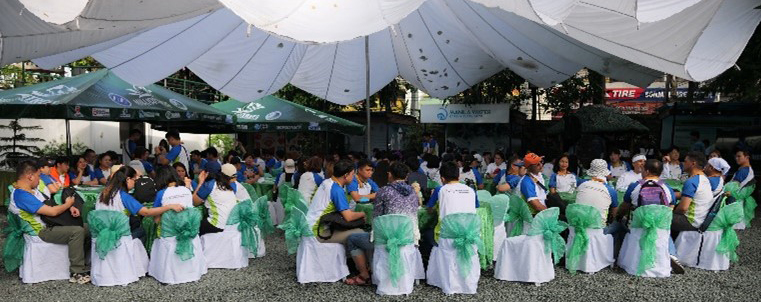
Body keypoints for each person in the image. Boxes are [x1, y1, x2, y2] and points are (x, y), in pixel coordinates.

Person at [10, 160, 90, 284]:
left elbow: (51, 204)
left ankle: (85, 262)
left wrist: (69, 207)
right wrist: (68, 204)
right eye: (38, 176)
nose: (39, 179)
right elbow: (52, 212)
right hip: (40, 231)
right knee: (77, 231)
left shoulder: (32, 190)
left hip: (50, 224)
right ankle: (77, 272)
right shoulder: (21, 194)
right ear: (30, 176)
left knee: (87, 228)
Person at [344, 162, 420, 286]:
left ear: (389, 175)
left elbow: (377, 218)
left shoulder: (376, 186)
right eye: (367, 170)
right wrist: (372, 196)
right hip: (408, 237)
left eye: (371, 170)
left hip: (386, 238)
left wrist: (373, 196)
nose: (370, 172)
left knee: (354, 238)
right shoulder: (413, 191)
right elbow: (357, 198)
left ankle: (364, 274)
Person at [97, 166, 184, 239]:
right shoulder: (123, 196)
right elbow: (146, 212)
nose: (135, 184)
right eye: (134, 181)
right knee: (142, 230)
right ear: (128, 179)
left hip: (101, 234)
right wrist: (169, 206)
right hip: (119, 236)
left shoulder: (102, 194)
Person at [305, 159, 366, 244]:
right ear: (346, 175)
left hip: (311, 225)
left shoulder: (327, 182)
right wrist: (370, 200)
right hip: (318, 231)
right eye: (353, 174)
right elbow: (357, 198)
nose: (354, 176)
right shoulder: (341, 188)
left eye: (371, 170)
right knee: (361, 234)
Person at [424, 161, 478, 247]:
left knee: (426, 232)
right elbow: (475, 207)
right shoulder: (471, 190)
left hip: (446, 236)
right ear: (459, 176)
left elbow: (429, 210)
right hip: (468, 235)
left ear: (442, 179)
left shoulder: (440, 189)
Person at [672, 152, 713, 238]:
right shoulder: (704, 178)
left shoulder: (691, 182)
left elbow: (683, 208)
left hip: (691, 221)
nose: (683, 163)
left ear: (693, 163)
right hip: (701, 217)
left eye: (685, 161)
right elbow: (689, 195)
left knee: (660, 216)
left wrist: (671, 211)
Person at [193, 164, 241, 235]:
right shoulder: (233, 186)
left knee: (192, 227)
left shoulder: (210, 184)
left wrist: (200, 182)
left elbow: (194, 202)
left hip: (217, 225)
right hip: (231, 223)